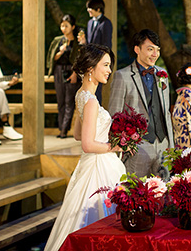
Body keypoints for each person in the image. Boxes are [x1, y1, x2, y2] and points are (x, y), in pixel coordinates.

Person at [44, 44, 126, 251]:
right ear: (91, 67)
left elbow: (77, 134)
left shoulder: (82, 95)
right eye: (105, 65)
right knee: (99, 222)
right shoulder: (91, 102)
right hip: (99, 167)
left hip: (89, 165)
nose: (109, 70)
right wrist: (114, 146)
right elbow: (88, 144)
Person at [107, 29, 174, 178]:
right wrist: (123, 147)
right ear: (137, 49)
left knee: (163, 192)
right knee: (136, 193)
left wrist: (171, 145)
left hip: (163, 144)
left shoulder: (162, 74)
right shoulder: (122, 76)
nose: (155, 54)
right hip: (137, 148)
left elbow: (166, 113)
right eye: (150, 49)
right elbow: (114, 114)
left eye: (157, 50)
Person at [46, 14, 81, 138]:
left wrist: (75, 73)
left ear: (72, 26)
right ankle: (61, 128)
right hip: (59, 71)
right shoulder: (58, 40)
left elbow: (79, 58)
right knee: (60, 101)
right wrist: (60, 52)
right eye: (62, 26)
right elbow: (51, 58)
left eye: (66, 26)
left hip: (71, 71)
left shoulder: (78, 41)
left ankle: (64, 130)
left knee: (69, 101)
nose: (63, 28)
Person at [77, 0, 112, 103]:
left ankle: (96, 112)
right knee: (88, 88)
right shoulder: (90, 23)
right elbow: (90, 44)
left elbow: (107, 45)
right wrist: (84, 43)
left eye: (90, 8)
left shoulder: (106, 23)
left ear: (98, 9)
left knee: (97, 89)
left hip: (99, 62)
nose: (88, 10)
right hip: (90, 62)